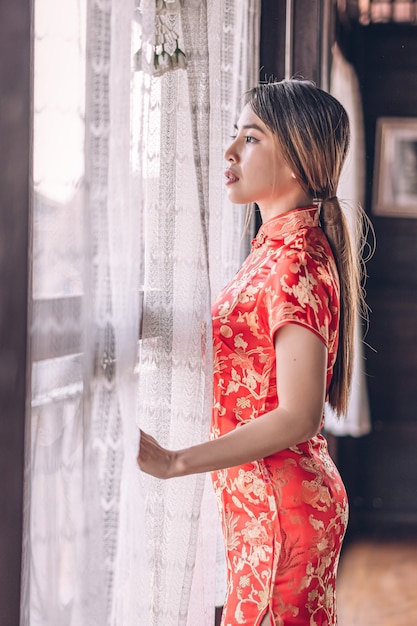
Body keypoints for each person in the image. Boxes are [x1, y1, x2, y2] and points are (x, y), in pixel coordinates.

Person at [138, 79, 368, 625]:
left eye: (251, 138)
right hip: (262, 505)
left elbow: (297, 415)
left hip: (282, 513)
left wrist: (175, 462)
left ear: (295, 162)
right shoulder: (273, 250)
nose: (230, 151)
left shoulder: (295, 262)